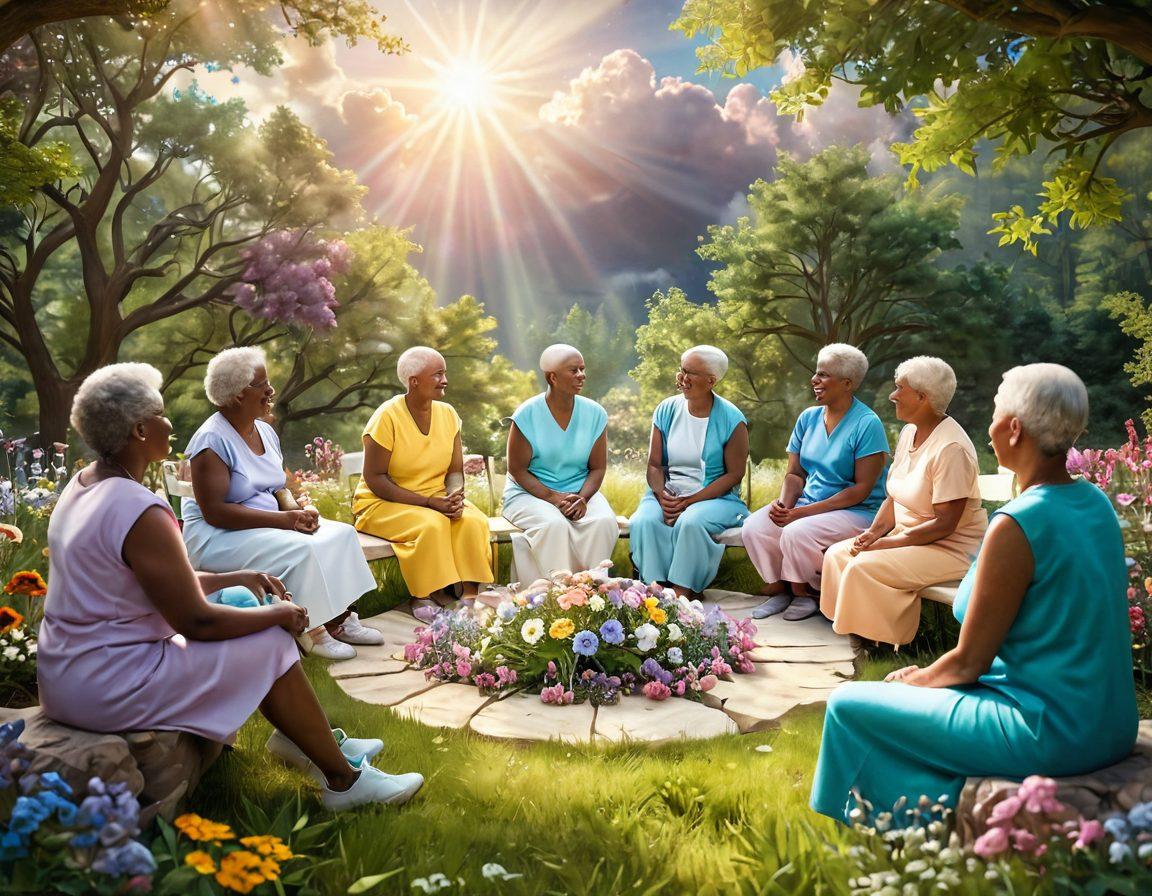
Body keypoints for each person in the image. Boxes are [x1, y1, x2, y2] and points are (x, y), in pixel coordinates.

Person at [37, 363, 423, 811]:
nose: (170, 424)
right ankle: (343, 780)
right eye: (161, 416)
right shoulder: (140, 510)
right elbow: (196, 621)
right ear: (140, 430)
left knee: (243, 599)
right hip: (108, 683)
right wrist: (280, 615)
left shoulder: (83, 486)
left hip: (70, 673)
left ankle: (302, 743)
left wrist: (233, 577)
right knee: (268, 637)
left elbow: (143, 584)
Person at [811, 364, 1138, 824]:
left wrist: (915, 679)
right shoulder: (1095, 503)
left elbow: (969, 663)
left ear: (1015, 428)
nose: (989, 426)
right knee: (907, 707)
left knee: (847, 706)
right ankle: (932, 823)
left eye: (994, 413)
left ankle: (877, 826)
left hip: (1048, 727)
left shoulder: (1017, 524)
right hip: (1110, 722)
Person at [182, 348, 380, 662]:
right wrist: (286, 522)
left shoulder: (263, 430)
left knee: (341, 533)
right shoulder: (211, 442)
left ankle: (339, 619)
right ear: (236, 397)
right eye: (262, 384)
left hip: (263, 523)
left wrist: (294, 511)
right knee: (302, 549)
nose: (271, 390)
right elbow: (215, 513)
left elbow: (278, 486)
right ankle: (311, 630)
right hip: (215, 536)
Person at [821, 357, 987, 646]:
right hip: (911, 538)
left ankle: (878, 644)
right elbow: (894, 495)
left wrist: (887, 544)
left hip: (950, 548)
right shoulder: (911, 430)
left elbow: (945, 524)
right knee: (838, 554)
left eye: (900, 388)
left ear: (922, 397)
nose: (892, 395)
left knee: (865, 566)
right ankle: (851, 635)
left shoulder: (951, 449)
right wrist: (873, 533)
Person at [743, 344, 888, 621]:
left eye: (823, 375)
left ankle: (809, 592)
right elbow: (795, 473)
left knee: (797, 532)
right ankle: (781, 589)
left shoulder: (867, 424)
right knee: (755, 527)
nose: (814, 380)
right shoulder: (808, 418)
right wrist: (784, 506)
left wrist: (798, 514)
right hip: (808, 505)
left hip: (858, 510)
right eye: (815, 373)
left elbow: (861, 489)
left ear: (847, 384)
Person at [353, 347, 492, 608]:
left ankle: (470, 595)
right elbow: (375, 478)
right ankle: (426, 596)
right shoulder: (387, 416)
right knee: (432, 525)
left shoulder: (448, 414)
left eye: (445, 374)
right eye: (437, 375)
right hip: (383, 503)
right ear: (413, 381)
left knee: (472, 520)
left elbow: (454, 471)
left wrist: (454, 496)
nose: (445, 381)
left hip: (435, 499)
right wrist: (429, 503)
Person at [628, 345, 749, 598]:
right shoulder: (666, 409)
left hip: (716, 498)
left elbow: (733, 475)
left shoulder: (732, 419)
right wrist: (662, 495)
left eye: (689, 373)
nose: (681, 378)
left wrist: (688, 502)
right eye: (681, 370)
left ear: (711, 380)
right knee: (645, 520)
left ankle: (683, 594)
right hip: (667, 493)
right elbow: (654, 464)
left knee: (691, 521)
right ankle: (655, 590)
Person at [502, 344, 618, 582]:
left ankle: (591, 590)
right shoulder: (527, 414)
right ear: (552, 377)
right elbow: (517, 470)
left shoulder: (595, 414)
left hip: (580, 491)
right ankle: (554, 594)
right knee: (554, 524)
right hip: (530, 493)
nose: (581, 375)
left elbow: (598, 468)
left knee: (604, 521)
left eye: (582, 369)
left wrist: (583, 498)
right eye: (573, 370)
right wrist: (554, 498)